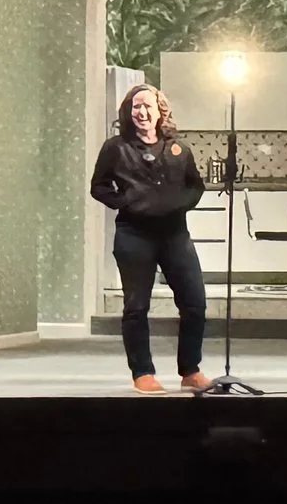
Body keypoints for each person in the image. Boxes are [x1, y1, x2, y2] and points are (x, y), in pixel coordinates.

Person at [89, 83, 209, 391]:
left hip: (175, 234)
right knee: (136, 307)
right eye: (136, 107)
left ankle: (190, 370)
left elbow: (195, 186)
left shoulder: (179, 149)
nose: (142, 112)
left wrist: (180, 204)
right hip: (134, 235)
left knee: (195, 303)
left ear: (160, 112)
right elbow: (99, 187)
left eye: (147, 106)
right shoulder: (116, 147)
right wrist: (127, 203)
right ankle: (142, 372)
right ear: (129, 113)